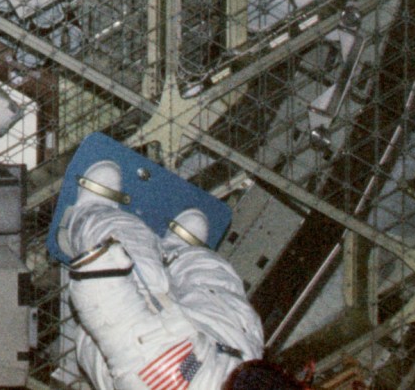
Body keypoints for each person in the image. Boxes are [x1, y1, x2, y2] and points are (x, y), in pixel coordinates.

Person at [59, 161, 298, 390]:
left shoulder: (167, 378)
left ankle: (89, 213)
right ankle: (176, 253)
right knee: (228, 298)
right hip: (221, 347)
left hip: (139, 342)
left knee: (134, 260)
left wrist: (102, 264)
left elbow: (109, 309)